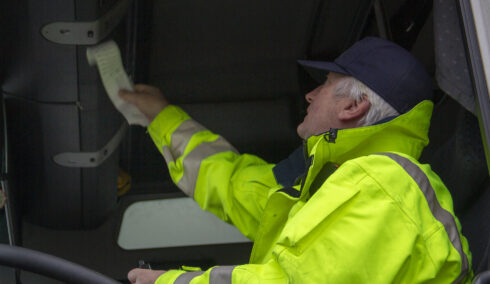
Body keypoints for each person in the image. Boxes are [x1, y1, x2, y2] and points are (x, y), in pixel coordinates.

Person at [120, 37, 473, 284]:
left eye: (326, 83)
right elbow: (232, 185)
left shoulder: (385, 185)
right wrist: (161, 117)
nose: (311, 93)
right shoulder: (325, 187)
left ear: (352, 107)